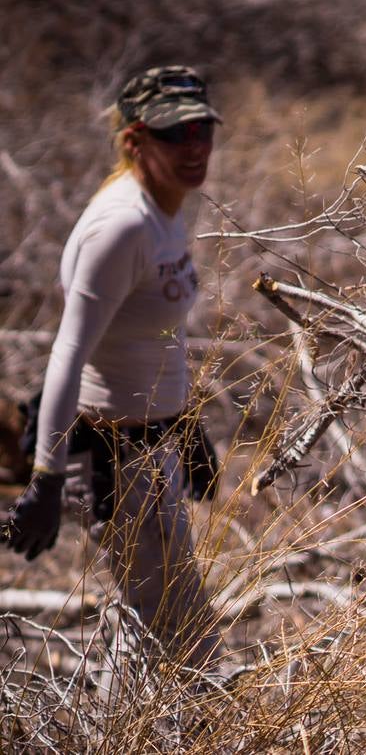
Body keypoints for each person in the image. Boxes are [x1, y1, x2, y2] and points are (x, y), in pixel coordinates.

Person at [2, 66, 223, 669]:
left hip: (154, 446)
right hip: (115, 457)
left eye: (202, 129)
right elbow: (69, 352)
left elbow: (160, 335)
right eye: (176, 134)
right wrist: (46, 478)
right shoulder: (122, 226)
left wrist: (187, 421)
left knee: (178, 633)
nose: (195, 146)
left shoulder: (167, 206)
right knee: (158, 639)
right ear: (135, 141)